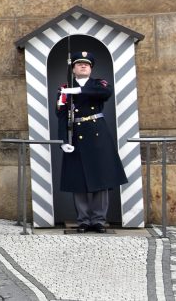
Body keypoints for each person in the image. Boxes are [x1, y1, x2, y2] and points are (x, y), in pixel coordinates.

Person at [57, 51, 128, 233]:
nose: (83, 66)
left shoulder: (98, 84)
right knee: (78, 180)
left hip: (98, 136)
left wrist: (79, 90)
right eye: (79, 64)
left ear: (90, 68)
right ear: (73, 69)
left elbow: (106, 92)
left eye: (86, 64)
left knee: (101, 179)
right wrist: (63, 140)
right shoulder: (65, 88)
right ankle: (83, 220)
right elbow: (61, 115)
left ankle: (98, 220)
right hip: (77, 136)